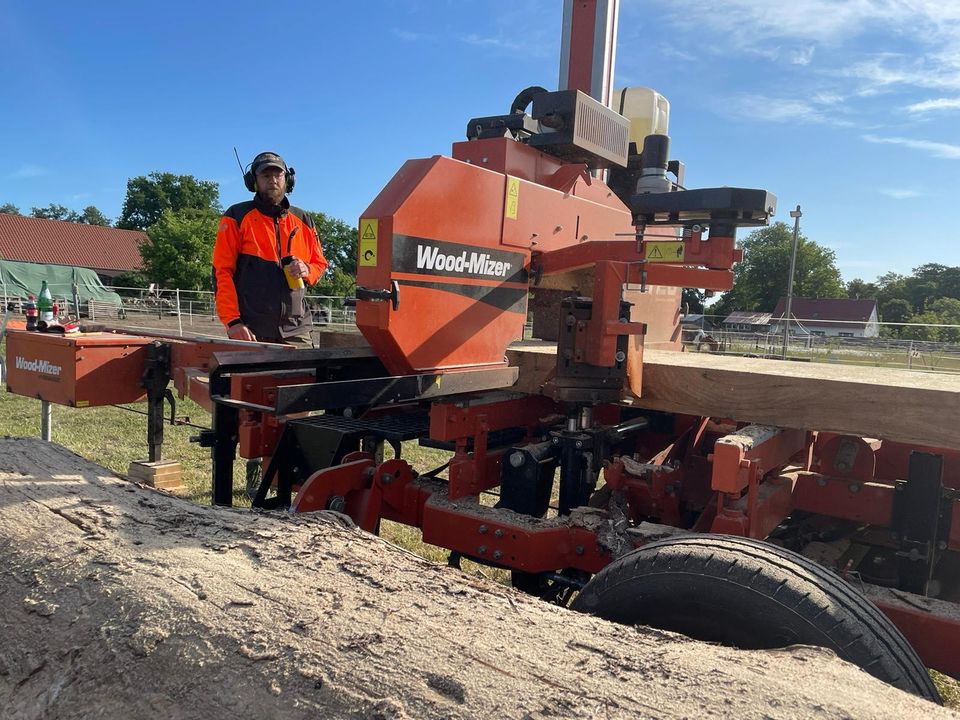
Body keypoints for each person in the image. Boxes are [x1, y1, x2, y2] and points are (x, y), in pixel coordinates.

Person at [213, 151, 327, 343]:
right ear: (253, 181)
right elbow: (222, 272)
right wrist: (233, 322)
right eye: (266, 175)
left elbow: (320, 264)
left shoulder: (303, 220)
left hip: (296, 329)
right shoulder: (236, 216)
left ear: (287, 179)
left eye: (278, 174)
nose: (272, 180)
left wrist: (307, 269)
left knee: (305, 374)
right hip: (250, 330)